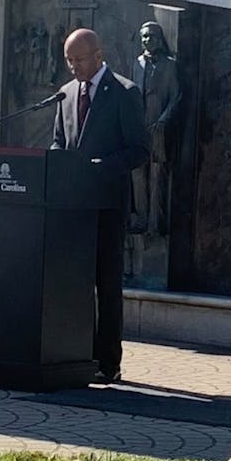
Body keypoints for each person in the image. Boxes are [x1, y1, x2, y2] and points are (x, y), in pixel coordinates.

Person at [51, 28, 149, 384]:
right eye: (69, 60)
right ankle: (77, 355)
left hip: (107, 205)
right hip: (74, 207)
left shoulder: (124, 93)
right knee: (76, 283)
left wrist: (102, 167)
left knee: (106, 285)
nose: (73, 67)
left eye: (78, 60)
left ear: (98, 55)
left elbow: (140, 149)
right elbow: (59, 144)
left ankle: (108, 362)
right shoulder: (63, 95)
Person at [130, 21, 183, 236]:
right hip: (138, 128)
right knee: (138, 175)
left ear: (159, 39)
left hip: (158, 128)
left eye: (151, 36)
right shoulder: (137, 63)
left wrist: (163, 119)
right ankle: (142, 220)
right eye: (144, 37)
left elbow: (176, 96)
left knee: (156, 176)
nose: (147, 40)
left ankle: (155, 223)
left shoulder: (169, 65)